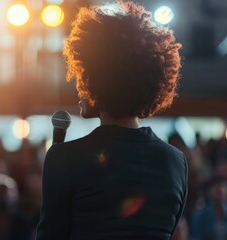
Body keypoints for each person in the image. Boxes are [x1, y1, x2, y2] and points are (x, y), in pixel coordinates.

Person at [36, 1, 186, 239]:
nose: (79, 88)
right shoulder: (175, 161)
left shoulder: (64, 158)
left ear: (99, 82)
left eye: (82, 78)